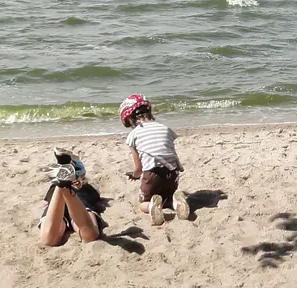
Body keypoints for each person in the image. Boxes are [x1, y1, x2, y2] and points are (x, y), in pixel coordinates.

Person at [119, 94, 189, 226]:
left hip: (152, 175)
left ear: (129, 118)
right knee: (166, 198)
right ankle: (174, 202)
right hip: (172, 174)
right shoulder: (165, 129)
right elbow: (172, 153)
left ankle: (151, 206)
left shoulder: (133, 135)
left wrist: (134, 175)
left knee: (142, 203)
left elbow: (138, 168)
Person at [38, 148, 102, 246]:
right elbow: (96, 197)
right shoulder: (86, 187)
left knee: (49, 240)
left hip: (56, 197)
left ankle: (61, 184)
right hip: (79, 195)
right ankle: (66, 185)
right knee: (90, 235)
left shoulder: (51, 189)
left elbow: (46, 200)